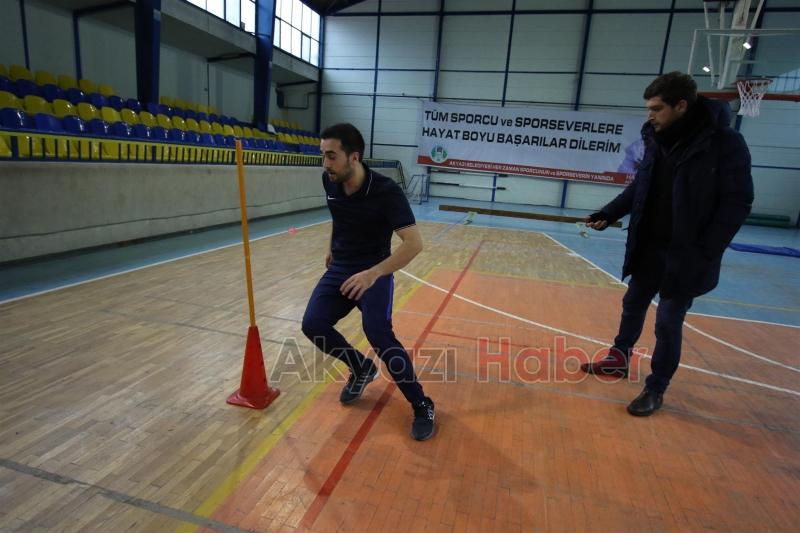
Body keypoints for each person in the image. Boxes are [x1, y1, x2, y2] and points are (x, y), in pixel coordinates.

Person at [581, 71, 753, 416]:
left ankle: (655, 388)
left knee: (668, 322)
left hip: (688, 255)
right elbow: (640, 186)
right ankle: (618, 359)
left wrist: (707, 250)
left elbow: (738, 202)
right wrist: (610, 212)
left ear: (681, 105)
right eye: (648, 109)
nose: (650, 115)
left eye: (657, 108)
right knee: (632, 305)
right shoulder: (655, 137)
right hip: (649, 246)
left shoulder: (724, 143)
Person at [301, 123, 435, 440]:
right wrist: (331, 247)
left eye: (332, 156)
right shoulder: (330, 181)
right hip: (342, 267)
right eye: (323, 156)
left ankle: (422, 404)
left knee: (378, 334)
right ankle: (361, 368)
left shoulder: (386, 192)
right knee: (313, 324)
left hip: (374, 270)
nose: (325, 164)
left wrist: (374, 273)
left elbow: (414, 243)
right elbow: (339, 215)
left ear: (355, 157)